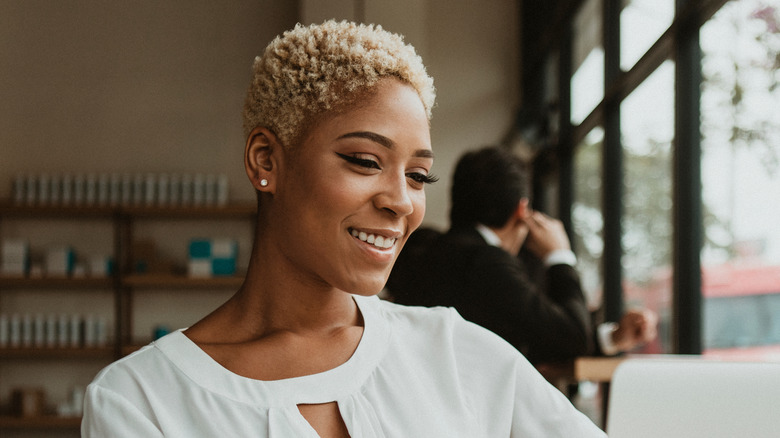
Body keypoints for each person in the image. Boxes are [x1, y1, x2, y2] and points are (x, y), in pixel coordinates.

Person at [81, 20, 606, 437]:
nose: (402, 201)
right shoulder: (141, 401)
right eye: (364, 160)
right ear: (267, 159)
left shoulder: (455, 352)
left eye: (419, 175)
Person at [387, 145, 657, 365]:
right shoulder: (487, 262)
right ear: (522, 210)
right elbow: (572, 335)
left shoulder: (421, 249)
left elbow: (536, 335)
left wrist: (613, 338)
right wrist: (560, 256)